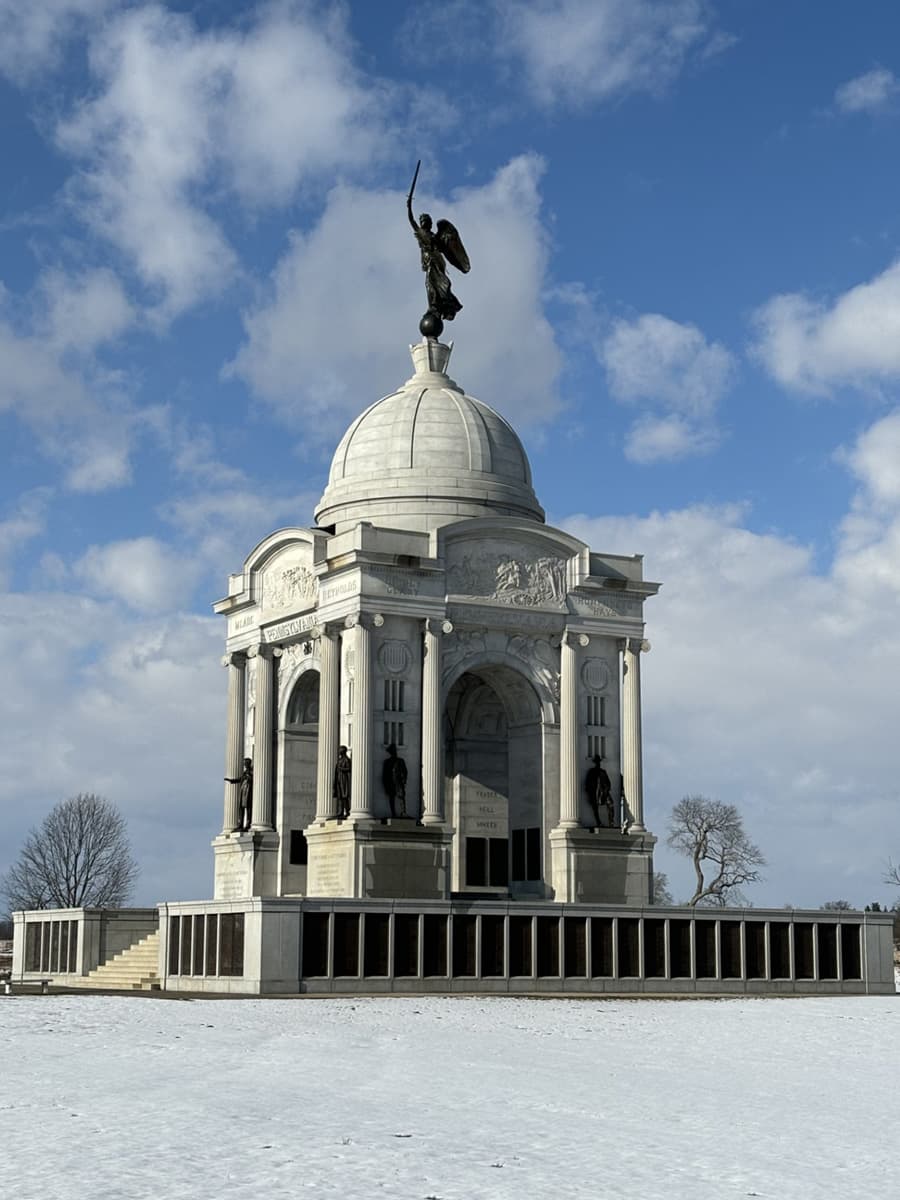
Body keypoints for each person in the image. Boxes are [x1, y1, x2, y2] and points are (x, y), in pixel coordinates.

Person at [224, 758, 253, 832]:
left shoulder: (250, 772)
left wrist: (248, 776)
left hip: (248, 792)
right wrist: (231, 780)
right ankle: (240, 825)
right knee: (241, 808)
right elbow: (240, 779)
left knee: (248, 809)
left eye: (245, 763)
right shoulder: (245, 773)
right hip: (243, 792)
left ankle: (248, 825)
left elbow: (251, 779)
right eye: (244, 763)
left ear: (248, 764)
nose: (244, 765)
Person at [585, 756, 613, 828]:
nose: (598, 763)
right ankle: (598, 822)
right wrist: (590, 792)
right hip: (594, 793)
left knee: (610, 804)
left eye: (599, 762)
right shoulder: (592, 772)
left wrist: (606, 791)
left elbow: (608, 783)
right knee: (595, 806)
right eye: (597, 762)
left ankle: (611, 822)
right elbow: (587, 784)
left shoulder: (603, 772)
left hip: (603, 792)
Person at [382, 743, 409, 818]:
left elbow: (405, 771)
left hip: (399, 782)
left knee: (401, 796)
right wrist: (385, 785)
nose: (394, 753)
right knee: (391, 797)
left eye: (394, 751)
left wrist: (404, 780)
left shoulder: (400, 761)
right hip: (391, 783)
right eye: (392, 751)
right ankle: (393, 813)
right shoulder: (387, 762)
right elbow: (384, 775)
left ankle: (403, 812)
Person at [333, 746, 352, 819]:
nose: (339, 751)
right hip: (339, 779)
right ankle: (341, 812)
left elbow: (349, 768)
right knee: (340, 797)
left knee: (345, 797)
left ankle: (347, 811)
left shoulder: (347, 760)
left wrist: (341, 768)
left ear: (343, 751)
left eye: (340, 750)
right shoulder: (339, 760)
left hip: (344, 780)